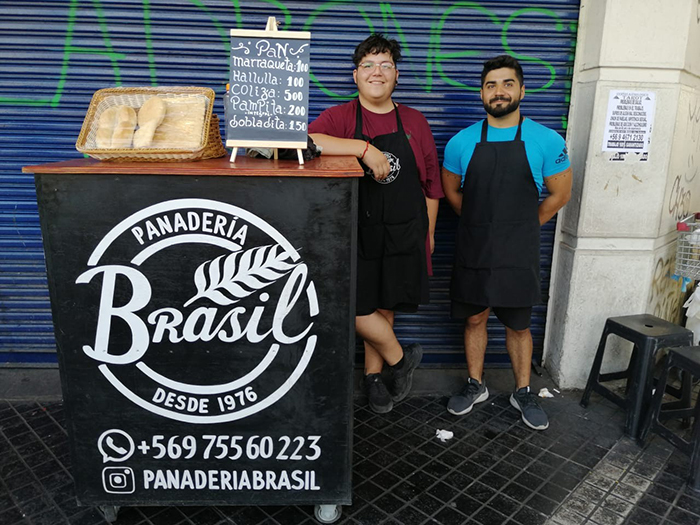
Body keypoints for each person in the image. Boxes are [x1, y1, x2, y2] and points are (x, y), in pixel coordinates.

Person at [309, 34, 443, 414]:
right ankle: (401, 359)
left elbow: (431, 182)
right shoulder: (340, 116)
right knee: (352, 305)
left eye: (385, 65)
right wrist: (362, 148)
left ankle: (374, 380)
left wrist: (429, 233)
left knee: (385, 306)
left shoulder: (415, 121)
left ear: (396, 75)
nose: (377, 72)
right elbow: (306, 140)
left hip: (403, 229)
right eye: (368, 65)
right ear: (355, 76)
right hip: (356, 231)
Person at [441, 55, 572, 430]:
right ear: (482, 93)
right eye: (491, 85)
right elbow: (451, 191)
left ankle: (523, 390)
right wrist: (482, 224)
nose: (499, 92)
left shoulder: (546, 140)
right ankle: (475, 384)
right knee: (475, 316)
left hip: (520, 249)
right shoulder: (461, 141)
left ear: (522, 90)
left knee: (518, 323)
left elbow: (560, 194)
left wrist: (524, 226)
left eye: (507, 83)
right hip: (474, 246)